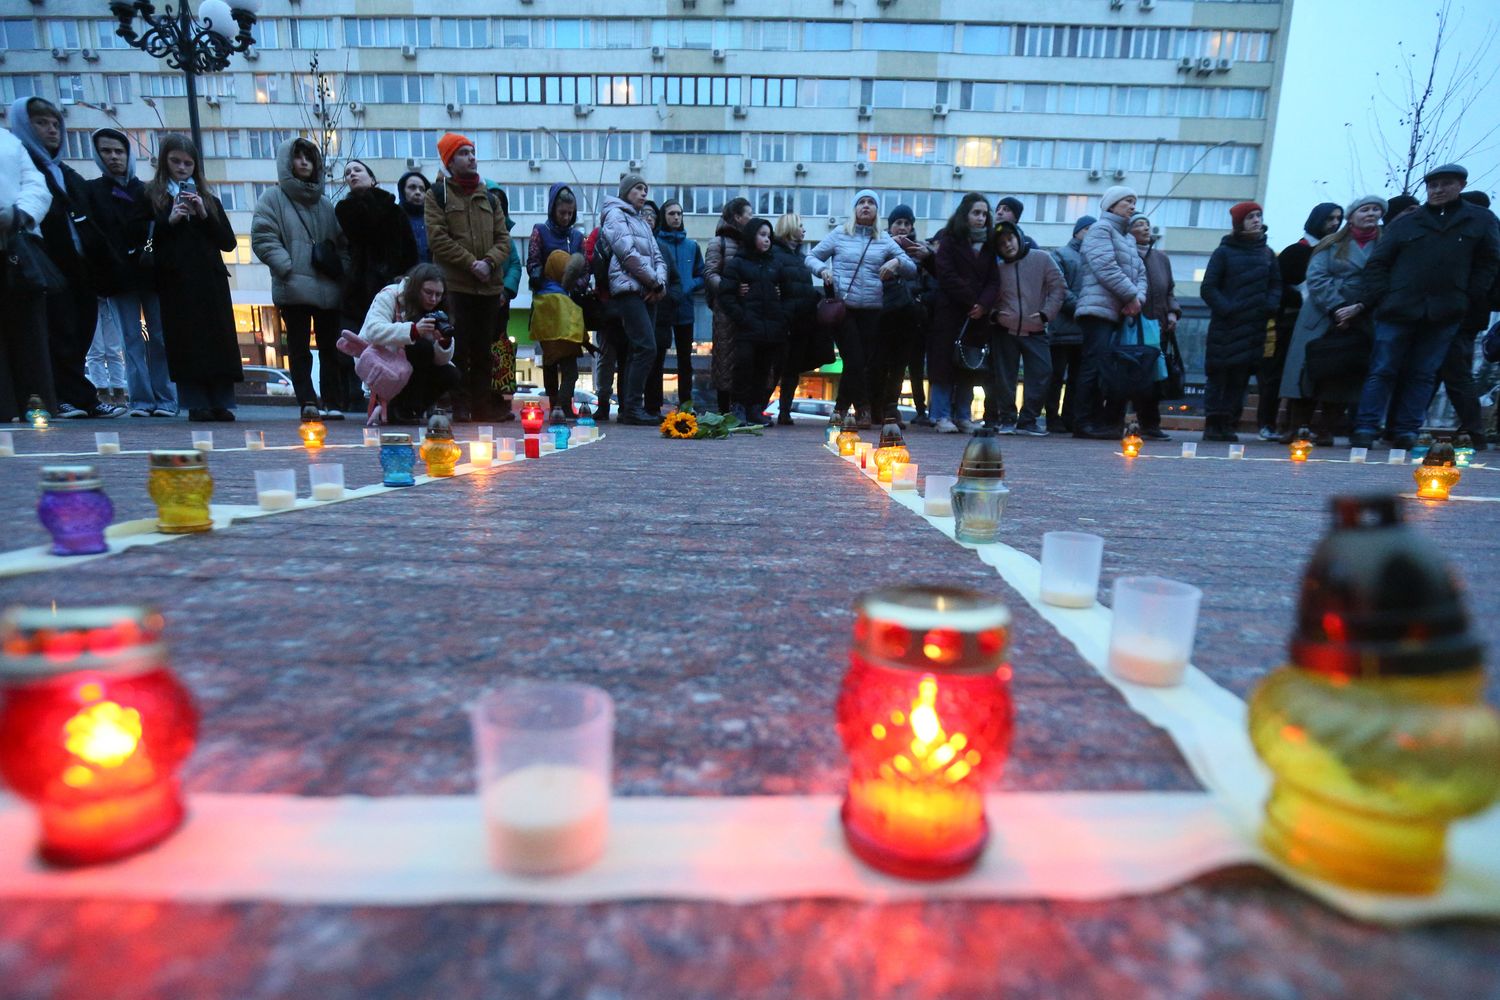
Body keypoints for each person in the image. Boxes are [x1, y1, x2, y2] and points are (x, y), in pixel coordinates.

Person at [1345, 164, 1500, 448]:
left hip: (1446, 310)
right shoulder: (1406, 223)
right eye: (1433, 185)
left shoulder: (1480, 220)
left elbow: (1489, 262)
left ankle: (1406, 430)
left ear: (1461, 185)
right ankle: (1366, 427)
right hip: (1397, 309)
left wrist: (1468, 296)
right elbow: (1379, 262)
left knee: (1423, 373)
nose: (1438, 190)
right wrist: (1384, 296)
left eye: (1445, 184)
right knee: (1382, 369)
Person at [9, 97, 124, 419]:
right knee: (58, 332)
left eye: (55, 123)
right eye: (41, 123)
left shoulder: (66, 174)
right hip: (45, 264)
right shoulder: (24, 169)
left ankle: (79, 396)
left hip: (80, 266)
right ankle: (60, 395)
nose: (51, 130)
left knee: (80, 331)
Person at [136, 134, 240, 420]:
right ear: (164, 162)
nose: (182, 168)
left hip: (210, 280)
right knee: (187, 340)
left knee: (217, 340)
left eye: (188, 163)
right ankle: (196, 402)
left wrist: (205, 214)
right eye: (175, 162)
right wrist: (168, 221)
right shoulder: (152, 198)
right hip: (176, 281)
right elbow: (141, 237)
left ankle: (221, 401)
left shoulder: (209, 199)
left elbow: (228, 242)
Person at [252, 137, 349, 418]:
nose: (304, 162)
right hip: (293, 286)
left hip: (326, 287)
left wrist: (339, 268)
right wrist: (287, 267)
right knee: (298, 348)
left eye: (309, 157)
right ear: (287, 162)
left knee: (330, 348)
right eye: (298, 157)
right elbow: (262, 236)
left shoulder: (325, 204)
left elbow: (342, 243)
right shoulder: (273, 198)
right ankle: (307, 400)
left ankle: (331, 402)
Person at [1277, 196, 1386, 445]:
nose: (1370, 214)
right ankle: (1296, 427)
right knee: (1306, 370)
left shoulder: (1385, 245)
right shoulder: (1332, 243)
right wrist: (1337, 306)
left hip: (1361, 315)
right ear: (1353, 215)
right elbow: (1316, 276)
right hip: (1321, 313)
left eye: (1376, 210)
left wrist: (1358, 307)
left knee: (1343, 373)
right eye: (1365, 209)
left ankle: (1326, 428)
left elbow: (1383, 280)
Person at [805, 189, 916, 427]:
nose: (866, 206)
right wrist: (823, 270)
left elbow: (911, 268)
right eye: (861, 202)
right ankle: (863, 409)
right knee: (854, 358)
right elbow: (811, 257)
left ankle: (840, 409)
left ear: (876, 211)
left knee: (862, 362)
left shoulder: (884, 239)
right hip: (844, 308)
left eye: (871, 203)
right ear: (855, 209)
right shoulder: (839, 234)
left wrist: (896, 261)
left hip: (873, 310)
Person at [86, 127, 176, 418]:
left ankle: (165, 399)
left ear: (128, 154)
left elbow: (162, 229)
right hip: (117, 278)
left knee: (160, 337)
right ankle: (140, 400)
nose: (114, 157)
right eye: (106, 151)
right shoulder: (93, 192)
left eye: (119, 151)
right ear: (98, 155)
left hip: (151, 274)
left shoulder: (147, 191)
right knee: (130, 339)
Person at [423, 132, 512, 421]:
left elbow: (503, 239)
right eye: (463, 153)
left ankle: (483, 408)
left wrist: (488, 262)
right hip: (456, 286)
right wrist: (471, 263)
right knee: (458, 349)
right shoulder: (437, 195)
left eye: (472, 152)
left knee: (484, 351)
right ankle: (460, 407)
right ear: (449, 161)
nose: (471, 157)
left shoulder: (489, 197)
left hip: (488, 288)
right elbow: (438, 239)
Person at [1200, 201, 1282, 443]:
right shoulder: (1224, 251)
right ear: (1239, 223)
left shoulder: (1267, 253)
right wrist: (1227, 309)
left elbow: (1276, 284)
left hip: (1254, 327)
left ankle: (1229, 424)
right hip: (1226, 327)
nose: (1256, 220)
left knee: (1241, 378)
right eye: (1250, 217)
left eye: (1258, 215)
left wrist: (1270, 305)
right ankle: (1213, 424)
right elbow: (1209, 287)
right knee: (1219, 376)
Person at [1262, 202, 1343, 440]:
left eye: (1339, 218)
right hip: (1291, 321)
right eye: (1330, 218)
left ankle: (1300, 425)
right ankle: (1271, 423)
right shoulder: (1294, 252)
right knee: (1280, 374)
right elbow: (1278, 286)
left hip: (1323, 321)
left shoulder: (1336, 251)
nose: (1335, 223)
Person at [1073, 186, 1147, 439]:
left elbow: (1141, 273)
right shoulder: (1100, 230)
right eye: (1127, 200)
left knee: (1110, 370)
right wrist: (1131, 296)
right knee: (1093, 366)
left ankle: (1102, 421)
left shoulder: (1127, 238)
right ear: (1111, 205)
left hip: (1120, 312)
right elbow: (1105, 266)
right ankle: (1083, 422)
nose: (1132, 206)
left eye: (1134, 201)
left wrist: (1137, 299)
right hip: (1097, 310)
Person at [721, 217, 806, 427]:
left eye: (769, 236)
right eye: (762, 235)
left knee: (763, 369)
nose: (767, 240)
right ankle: (738, 407)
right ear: (751, 236)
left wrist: (782, 317)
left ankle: (755, 408)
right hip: (748, 328)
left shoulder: (775, 264)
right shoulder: (738, 263)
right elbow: (726, 296)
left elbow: (788, 294)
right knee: (744, 366)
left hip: (772, 329)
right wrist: (743, 317)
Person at [598, 173, 668, 424]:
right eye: (638, 188)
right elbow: (626, 253)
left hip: (648, 292)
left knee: (641, 348)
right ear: (626, 191)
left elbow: (659, 257)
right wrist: (654, 281)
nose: (643, 193)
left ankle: (631, 408)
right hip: (629, 290)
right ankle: (631, 408)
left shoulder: (641, 222)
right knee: (646, 347)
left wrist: (660, 284)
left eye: (645, 189)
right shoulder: (616, 215)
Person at [929, 193, 999, 434]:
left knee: (969, 366)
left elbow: (994, 280)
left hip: (977, 318)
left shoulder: (990, 244)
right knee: (943, 366)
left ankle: (963, 416)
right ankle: (941, 416)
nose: (981, 218)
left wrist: (983, 305)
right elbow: (946, 275)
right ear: (965, 214)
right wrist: (972, 301)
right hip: (950, 313)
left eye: (984, 213)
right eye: (976, 213)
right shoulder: (949, 240)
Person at [356, 262, 460, 422]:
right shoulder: (389, 295)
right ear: (415, 287)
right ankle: (397, 407)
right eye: (428, 292)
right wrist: (413, 331)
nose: (433, 299)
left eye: (438, 295)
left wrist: (444, 343)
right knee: (421, 347)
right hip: (382, 362)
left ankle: (411, 409)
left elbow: (441, 360)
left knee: (451, 374)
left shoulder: (439, 309)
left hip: (410, 365)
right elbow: (373, 331)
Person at [988, 221, 1064, 435]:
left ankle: (1028, 419)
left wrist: (1045, 314)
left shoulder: (1042, 259)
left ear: (1019, 237)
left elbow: (1058, 288)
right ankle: (1007, 419)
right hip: (1005, 329)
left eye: (1010, 239)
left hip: (1036, 328)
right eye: (1002, 244)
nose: (1008, 245)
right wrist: (994, 314)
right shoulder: (998, 268)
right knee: (1005, 376)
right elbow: (988, 292)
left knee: (1042, 372)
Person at [0, 124, 52, 423]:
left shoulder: (9, 142)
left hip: (15, 248)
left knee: (28, 334)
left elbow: (36, 185)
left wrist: (19, 213)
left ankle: (34, 406)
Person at [1440, 190, 1498, 451]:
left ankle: (1474, 430)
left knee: (1454, 372)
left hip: (1461, 312)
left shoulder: (1477, 234)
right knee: (1450, 371)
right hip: (1469, 313)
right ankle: (1472, 429)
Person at [337, 160, 417, 335]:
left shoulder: (395, 211)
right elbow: (360, 229)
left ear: (372, 178)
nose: (352, 174)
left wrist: (405, 278)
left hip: (391, 287)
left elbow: (410, 250)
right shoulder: (344, 210)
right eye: (348, 173)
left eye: (357, 170)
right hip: (356, 290)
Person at [528, 183, 587, 416]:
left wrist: (573, 287)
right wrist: (544, 281)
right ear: (553, 209)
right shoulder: (540, 231)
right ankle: (555, 406)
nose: (566, 217)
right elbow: (532, 263)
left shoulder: (577, 236)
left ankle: (565, 404)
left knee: (571, 359)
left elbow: (585, 270)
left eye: (570, 213)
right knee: (551, 358)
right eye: (562, 212)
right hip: (548, 304)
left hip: (570, 305)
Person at [1129, 211, 1181, 440]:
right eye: (1139, 224)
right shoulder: (1125, 254)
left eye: (1147, 224)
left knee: (1154, 377)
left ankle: (1150, 424)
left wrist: (1172, 312)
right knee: (1129, 375)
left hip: (1157, 326)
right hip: (1130, 326)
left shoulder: (1161, 258)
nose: (1145, 228)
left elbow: (1169, 290)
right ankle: (1118, 421)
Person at [881, 204, 935, 427]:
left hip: (911, 317)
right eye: (898, 223)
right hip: (883, 314)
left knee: (900, 366)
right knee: (879, 363)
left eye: (907, 223)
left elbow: (933, 281)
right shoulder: (880, 245)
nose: (902, 228)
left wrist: (920, 300)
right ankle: (875, 406)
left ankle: (891, 409)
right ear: (890, 226)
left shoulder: (921, 251)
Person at [770, 212, 824, 425]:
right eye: (800, 226)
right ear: (790, 228)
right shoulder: (775, 255)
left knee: (792, 370)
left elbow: (803, 288)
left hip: (802, 321)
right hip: (784, 321)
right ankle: (759, 408)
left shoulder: (802, 258)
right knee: (776, 368)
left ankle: (785, 411)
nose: (803, 230)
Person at [1045, 216, 1095, 435]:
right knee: (1055, 377)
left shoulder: (1095, 258)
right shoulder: (1061, 254)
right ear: (1079, 231)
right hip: (1062, 328)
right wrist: (1082, 307)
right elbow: (1058, 288)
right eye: (1089, 230)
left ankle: (1069, 417)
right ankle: (1052, 418)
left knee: (1077, 378)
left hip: (1084, 330)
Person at [653, 198, 703, 410]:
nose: (675, 217)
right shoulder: (655, 243)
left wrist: (689, 284)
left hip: (685, 309)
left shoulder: (691, 246)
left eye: (679, 214)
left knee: (685, 361)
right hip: (661, 308)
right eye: (671, 213)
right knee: (657, 358)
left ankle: (685, 404)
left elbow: (702, 274)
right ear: (664, 217)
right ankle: (653, 405)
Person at [705, 197, 753, 414]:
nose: (752, 218)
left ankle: (744, 406)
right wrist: (730, 288)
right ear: (737, 217)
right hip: (725, 310)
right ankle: (725, 409)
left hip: (749, 309)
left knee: (747, 359)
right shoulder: (719, 243)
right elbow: (710, 274)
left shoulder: (751, 242)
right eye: (749, 214)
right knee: (724, 359)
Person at [530, 250, 590, 418]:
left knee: (550, 375)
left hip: (547, 343)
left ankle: (554, 405)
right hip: (566, 342)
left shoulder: (541, 294)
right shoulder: (561, 297)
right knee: (570, 375)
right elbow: (575, 322)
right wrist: (585, 340)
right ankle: (562, 408)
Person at [397, 171, 431, 263]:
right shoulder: (393, 217)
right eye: (412, 187)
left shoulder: (432, 218)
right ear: (403, 191)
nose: (418, 192)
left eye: (422, 189)